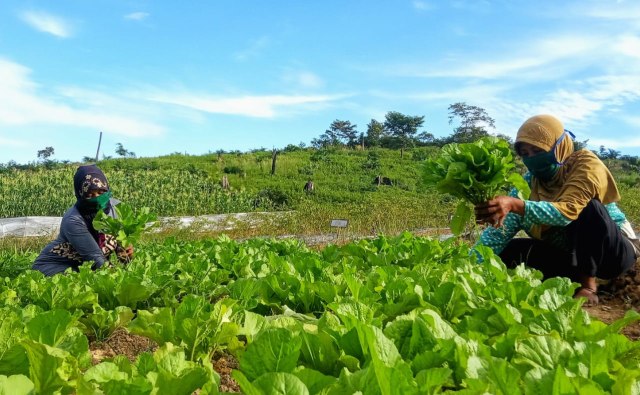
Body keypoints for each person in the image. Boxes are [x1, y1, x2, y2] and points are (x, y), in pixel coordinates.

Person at [474, 114, 640, 305]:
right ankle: (576, 280)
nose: (532, 159)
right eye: (525, 154)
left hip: (614, 254)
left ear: (559, 146)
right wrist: (465, 266)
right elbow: (497, 235)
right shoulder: (529, 183)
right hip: (573, 257)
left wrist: (515, 204)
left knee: (588, 207)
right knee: (509, 251)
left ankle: (589, 286)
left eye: (537, 150)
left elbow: (567, 211)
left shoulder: (585, 165)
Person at [32, 164, 133, 276]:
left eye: (101, 192)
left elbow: (121, 241)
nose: (97, 199)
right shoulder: (74, 219)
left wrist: (124, 250)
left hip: (82, 268)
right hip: (54, 267)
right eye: (90, 195)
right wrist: (120, 279)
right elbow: (96, 259)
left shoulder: (117, 208)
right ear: (80, 196)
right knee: (80, 283)